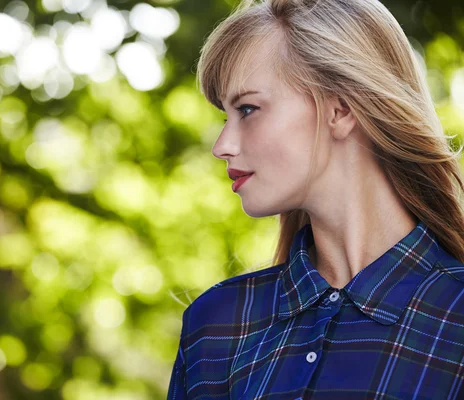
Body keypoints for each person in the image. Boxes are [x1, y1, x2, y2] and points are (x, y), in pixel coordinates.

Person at [166, 0, 464, 398]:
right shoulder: (215, 326)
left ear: (340, 109)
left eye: (248, 109)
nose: (222, 145)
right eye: (226, 116)